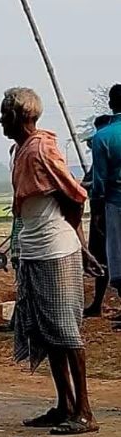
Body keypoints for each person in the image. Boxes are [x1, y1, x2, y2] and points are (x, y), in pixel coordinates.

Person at [1, 87, 100, 435]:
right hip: (33, 249)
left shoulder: (41, 148)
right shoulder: (21, 151)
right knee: (48, 332)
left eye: (4, 113)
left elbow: (75, 194)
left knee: (67, 332)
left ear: (19, 116)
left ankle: (84, 411)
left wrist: (78, 238)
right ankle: (64, 404)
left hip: (55, 248)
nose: (0, 119)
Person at [88, 84, 121, 330]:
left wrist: (97, 211)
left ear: (111, 104)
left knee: (116, 257)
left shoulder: (103, 137)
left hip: (115, 203)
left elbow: (99, 181)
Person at [84, 114, 116, 318]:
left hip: (104, 213)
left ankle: (97, 304)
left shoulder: (103, 154)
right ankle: (96, 303)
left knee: (104, 258)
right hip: (107, 211)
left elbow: (97, 186)